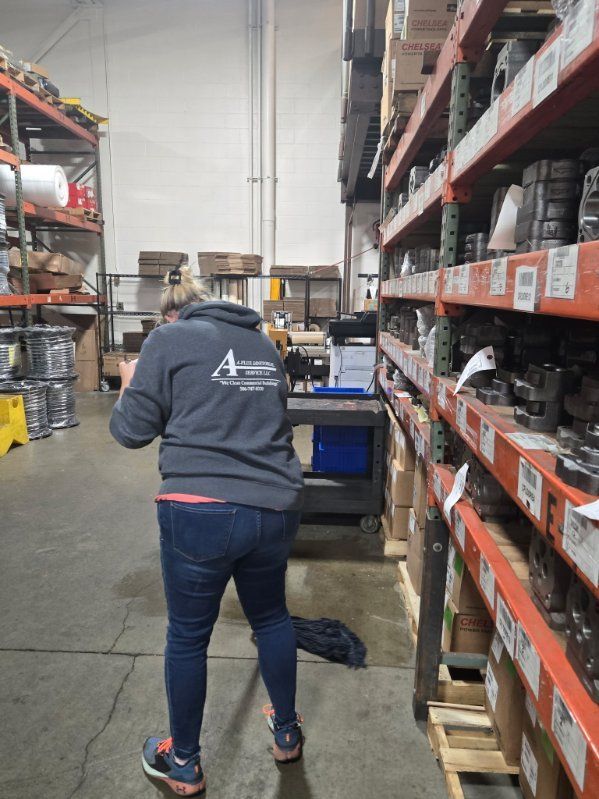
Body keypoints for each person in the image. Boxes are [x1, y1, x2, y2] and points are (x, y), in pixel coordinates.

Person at [109, 267, 305, 796]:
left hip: (199, 510)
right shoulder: (263, 344)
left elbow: (131, 432)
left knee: (189, 635)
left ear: (174, 314)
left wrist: (129, 387)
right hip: (274, 506)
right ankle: (286, 733)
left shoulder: (167, 340)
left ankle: (186, 763)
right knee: (270, 617)